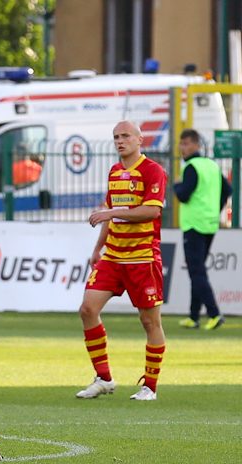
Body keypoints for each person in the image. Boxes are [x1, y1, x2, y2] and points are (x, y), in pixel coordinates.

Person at [77, 120, 167, 402]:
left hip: (142, 258)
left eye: (125, 135)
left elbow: (151, 211)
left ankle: (150, 386)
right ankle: (104, 378)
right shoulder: (115, 171)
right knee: (87, 309)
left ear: (140, 139)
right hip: (113, 257)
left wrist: (112, 212)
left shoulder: (153, 170)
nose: (119, 141)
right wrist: (98, 247)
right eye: (116, 136)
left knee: (149, 322)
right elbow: (110, 211)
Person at [174, 129, 233, 331]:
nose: (182, 148)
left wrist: (176, 186)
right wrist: (216, 209)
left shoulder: (191, 167)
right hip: (209, 223)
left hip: (194, 224)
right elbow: (228, 189)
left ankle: (214, 313)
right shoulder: (211, 165)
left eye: (186, 144)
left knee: (196, 270)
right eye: (181, 144)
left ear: (196, 145)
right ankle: (193, 316)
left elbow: (184, 195)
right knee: (197, 270)